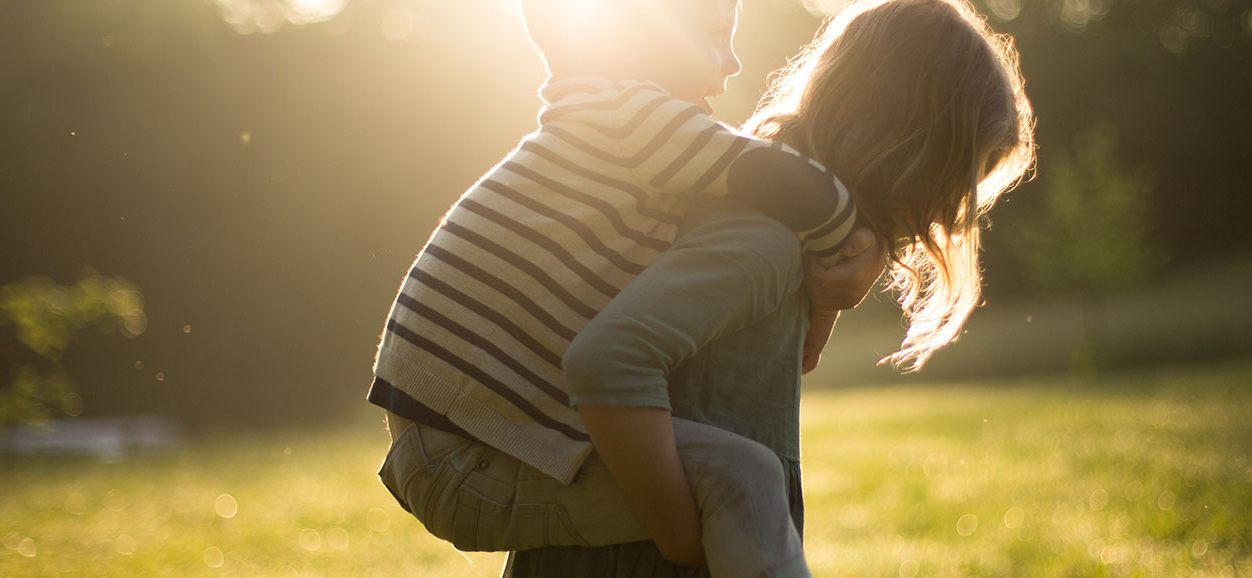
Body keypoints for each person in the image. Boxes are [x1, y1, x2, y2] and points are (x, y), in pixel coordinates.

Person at [505, 0, 1036, 575]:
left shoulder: (781, 226)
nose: (950, 215)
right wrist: (682, 536)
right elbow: (610, 361)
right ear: (911, 148)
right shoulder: (765, 243)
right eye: (959, 177)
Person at [370, 0, 878, 575]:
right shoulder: (629, 120)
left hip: (461, 441)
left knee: (740, 476)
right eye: (715, 35)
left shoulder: (615, 129)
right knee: (743, 479)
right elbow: (790, 184)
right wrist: (850, 252)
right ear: (634, 42)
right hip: (463, 456)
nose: (733, 63)